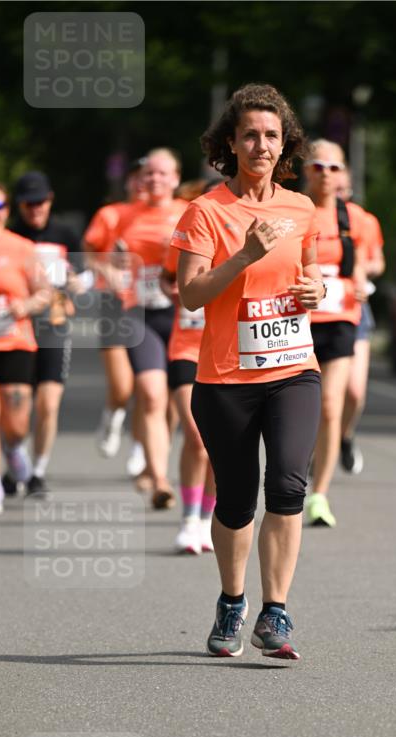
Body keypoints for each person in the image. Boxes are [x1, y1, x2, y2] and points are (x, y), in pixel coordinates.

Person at [172, 82, 326, 659]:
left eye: (271, 135)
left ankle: (276, 612)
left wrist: (316, 289)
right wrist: (244, 255)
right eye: (250, 136)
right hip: (226, 379)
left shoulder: (301, 207)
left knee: (287, 484)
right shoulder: (207, 211)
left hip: (293, 369)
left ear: (285, 144)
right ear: (230, 144)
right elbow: (190, 294)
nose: (261, 145)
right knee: (236, 500)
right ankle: (232, 600)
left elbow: (309, 275)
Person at [112, 149, 188, 509]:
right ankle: (160, 479)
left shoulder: (191, 213)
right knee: (152, 394)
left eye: (163, 174)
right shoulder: (123, 216)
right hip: (138, 314)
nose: (155, 179)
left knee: (178, 402)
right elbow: (98, 255)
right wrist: (111, 268)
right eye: (149, 174)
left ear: (175, 178)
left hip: (181, 316)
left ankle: (158, 460)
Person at [302, 140, 368, 527]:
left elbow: (366, 262)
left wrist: (359, 278)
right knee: (300, 408)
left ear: (343, 174)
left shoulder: (358, 219)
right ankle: (297, 467)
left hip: (341, 318)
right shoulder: (293, 211)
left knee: (331, 405)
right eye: (317, 166)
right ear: (304, 170)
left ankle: (320, 495)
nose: (325, 174)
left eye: (333, 167)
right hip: (296, 322)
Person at [8, 171, 81, 497]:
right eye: (28, 203)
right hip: (14, 328)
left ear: (50, 200)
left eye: (40, 202)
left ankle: (36, 472)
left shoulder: (65, 233)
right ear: (18, 205)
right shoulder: (9, 235)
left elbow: (85, 277)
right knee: (14, 407)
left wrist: (77, 284)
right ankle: (14, 462)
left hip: (53, 323)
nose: (35, 208)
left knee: (48, 404)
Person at [161, 179, 218, 555]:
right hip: (186, 349)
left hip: (228, 355)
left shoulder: (253, 247)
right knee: (196, 435)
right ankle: (187, 520)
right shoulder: (190, 236)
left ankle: (205, 519)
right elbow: (168, 280)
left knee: (220, 447)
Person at [82, 158, 148, 471]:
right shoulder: (110, 215)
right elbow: (89, 254)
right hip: (114, 303)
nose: (141, 184)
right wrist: (104, 268)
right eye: (135, 177)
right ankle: (113, 414)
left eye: (145, 177)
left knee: (148, 386)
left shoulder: (166, 215)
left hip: (150, 306)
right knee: (123, 386)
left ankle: (139, 445)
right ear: (127, 182)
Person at [0, 182, 51, 513]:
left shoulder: (23, 248)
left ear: (6, 211)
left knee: (15, 422)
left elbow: (44, 292)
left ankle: (15, 448)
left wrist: (24, 306)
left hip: (15, 339)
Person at [335, 166, 385, 475]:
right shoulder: (306, 214)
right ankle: (316, 442)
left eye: (343, 190)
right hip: (317, 310)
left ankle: (344, 435)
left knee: (354, 392)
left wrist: (361, 270)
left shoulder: (364, 220)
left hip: (355, 306)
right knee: (320, 391)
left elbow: (378, 262)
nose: (337, 196)